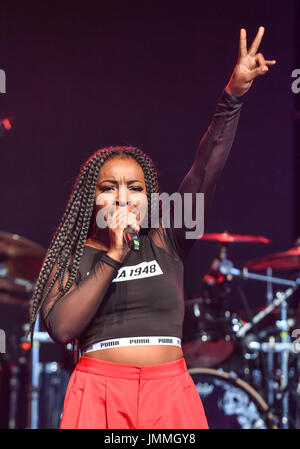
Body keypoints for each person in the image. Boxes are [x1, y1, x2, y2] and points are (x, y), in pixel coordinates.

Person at [28, 26, 276, 429]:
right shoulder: (74, 255)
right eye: (110, 188)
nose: (124, 196)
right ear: (92, 199)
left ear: (150, 199)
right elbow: (62, 328)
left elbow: (204, 170)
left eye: (135, 188)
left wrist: (232, 96)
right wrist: (113, 254)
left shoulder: (167, 239)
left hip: (168, 392)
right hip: (99, 393)